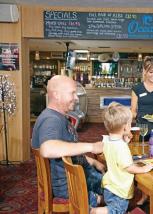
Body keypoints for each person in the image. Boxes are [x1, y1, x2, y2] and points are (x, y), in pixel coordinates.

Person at [31, 75, 105, 209]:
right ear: (57, 95)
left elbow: (67, 148)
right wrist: (92, 146)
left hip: (77, 175)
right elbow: (48, 149)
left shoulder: (56, 116)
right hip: (70, 184)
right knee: (118, 192)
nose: (76, 98)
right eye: (72, 93)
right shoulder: (51, 120)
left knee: (114, 186)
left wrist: (92, 161)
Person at [91, 102, 152, 214]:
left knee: (113, 205)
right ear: (125, 127)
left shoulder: (107, 141)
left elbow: (115, 153)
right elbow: (128, 167)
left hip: (109, 186)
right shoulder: (121, 147)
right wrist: (143, 169)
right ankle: (93, 211)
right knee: (117, 209)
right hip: (119, 189)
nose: (131, 126)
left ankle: (97, 201)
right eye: (130, 124)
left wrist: (124, 142)